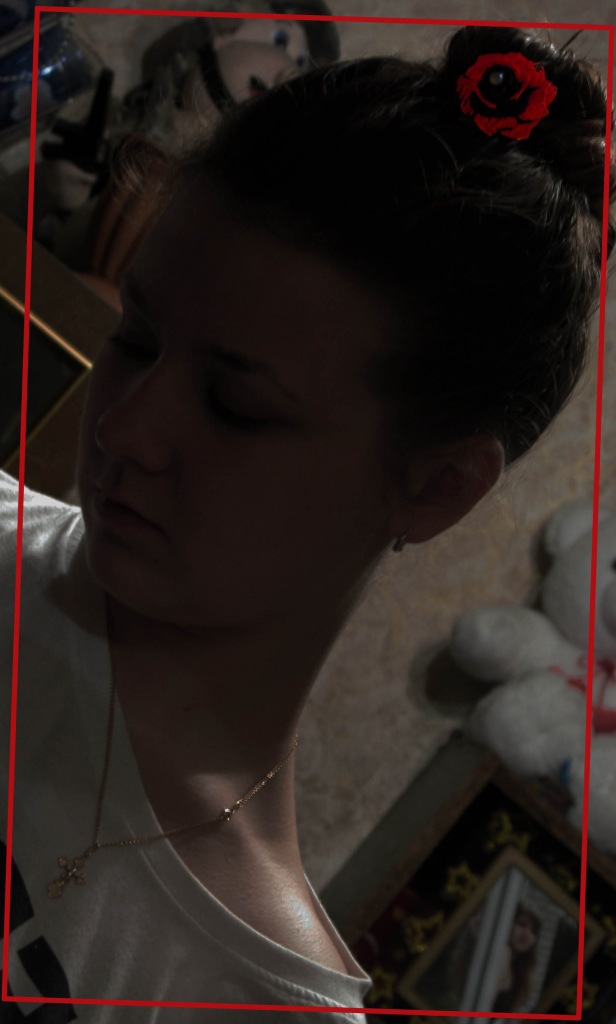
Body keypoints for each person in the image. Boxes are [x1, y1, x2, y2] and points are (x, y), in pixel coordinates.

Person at [1, 22, 614, 1021]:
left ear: (437, 486)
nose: (125, 427)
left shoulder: (255, 996)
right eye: (137, 338)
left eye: (235, 406)